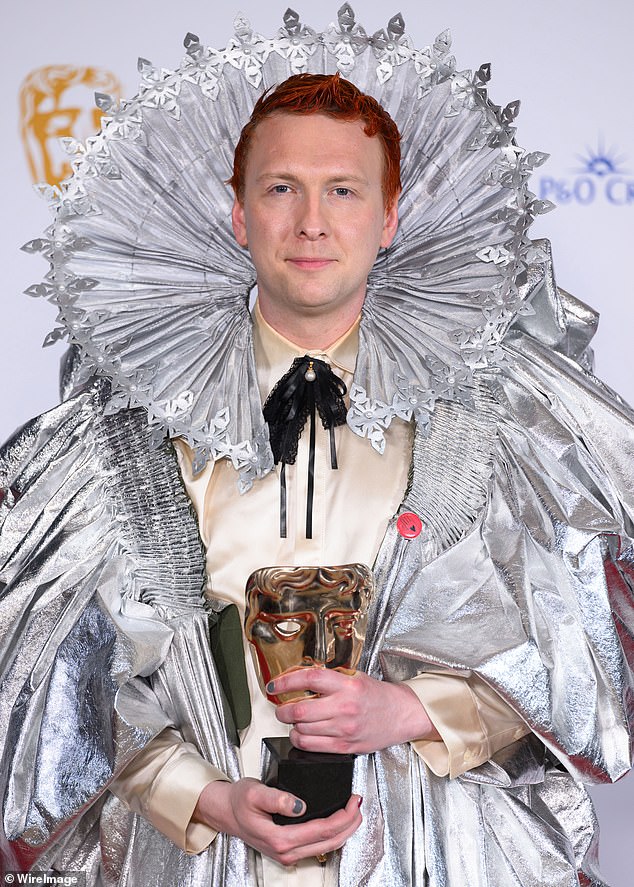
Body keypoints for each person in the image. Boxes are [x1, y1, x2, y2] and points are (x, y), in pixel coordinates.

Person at [1, 9, 633, 887]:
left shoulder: (498, 418)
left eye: (343, 189)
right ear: (237, 214)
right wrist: (199, 793)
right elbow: (71, 684)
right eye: (280, 188)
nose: (310, 222)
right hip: (201, 860)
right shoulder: (123, 430)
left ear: (389, 218)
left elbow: (576, 650)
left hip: (434, 850)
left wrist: (410, 708)